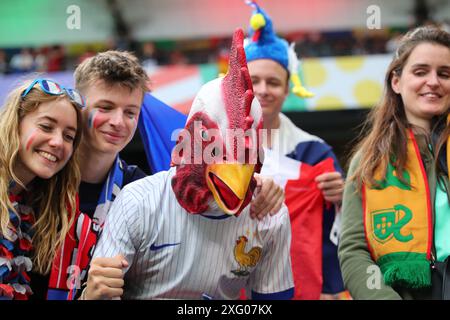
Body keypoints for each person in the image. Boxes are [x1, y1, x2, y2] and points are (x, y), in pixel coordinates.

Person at [82, 29, 294, 300]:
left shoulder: (270, 214)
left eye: (244, 154)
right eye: (214, 148)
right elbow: (102, 293)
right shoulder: (138, 199)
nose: (233, 168)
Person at [338, 25, 450, 299]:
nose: (433, 82)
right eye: (420, 71)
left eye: (445, 74)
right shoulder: (368, 160)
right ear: (396, 82)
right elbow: (354, 250)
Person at [243, 1, 345, 299]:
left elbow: (337, 230)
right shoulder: (214, 147)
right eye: (254, 81)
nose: (263, 90)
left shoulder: (315, 152)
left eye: (273, 82)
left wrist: (342, 197)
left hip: (297, 287)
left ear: (288, 89)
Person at [0, 78, 88, 300]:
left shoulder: (36, 206)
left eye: (69, 136)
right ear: (16, 123)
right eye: (46, 126)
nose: (58, 142)